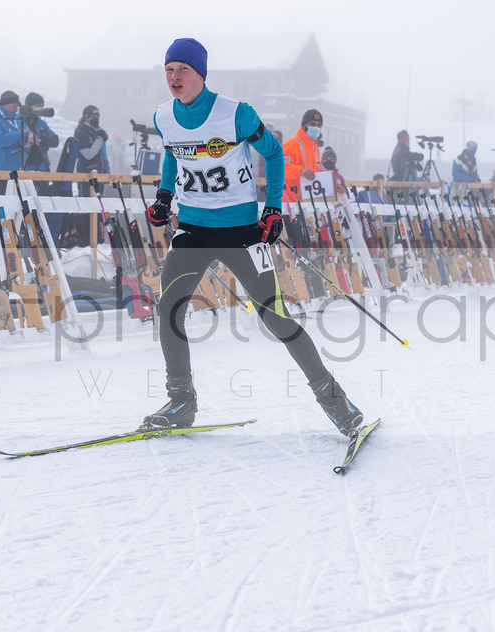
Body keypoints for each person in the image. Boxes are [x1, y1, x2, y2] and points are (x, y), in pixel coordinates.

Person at [142, 37, 365, 435]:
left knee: (274, 316)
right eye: (169, 70)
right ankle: (180, 402)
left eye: (183, 70)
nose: (174, 77)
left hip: (242, 232)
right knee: (169, 308)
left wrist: (273, 207)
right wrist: (164, 195)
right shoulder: (163, 117)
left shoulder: (236, 114)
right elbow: (173, 154)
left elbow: (275, 153)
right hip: (192, 229)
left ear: (201, 74)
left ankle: (336, 402)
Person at [282, 108, 324, 204]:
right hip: (291, 203)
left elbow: (320, 171)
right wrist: (300, 171)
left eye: (318, 125)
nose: (316, 127)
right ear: (304, 125)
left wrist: (333, 185)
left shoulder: (314, 146)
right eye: (312, 124)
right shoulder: (292, 143)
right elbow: (280, 167)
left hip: (309, 202)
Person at [0, 90, 32, 171]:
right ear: (5, 105)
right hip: (3, 171)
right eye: (14, 106)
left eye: (17, 106)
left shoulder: (15, 119)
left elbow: (26, 131)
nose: (17, 109)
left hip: (20, 169)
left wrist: (29, 136)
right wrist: (20, 133)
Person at [22, 92, 60, 172]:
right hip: (27, 166)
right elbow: (29, 142)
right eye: (38, 106)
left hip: (43, 165)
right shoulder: (20, 121)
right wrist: (43, 140)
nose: (41, 109)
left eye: (42, 106)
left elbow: (55, 141)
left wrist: (41, 138)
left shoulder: (41, 123)